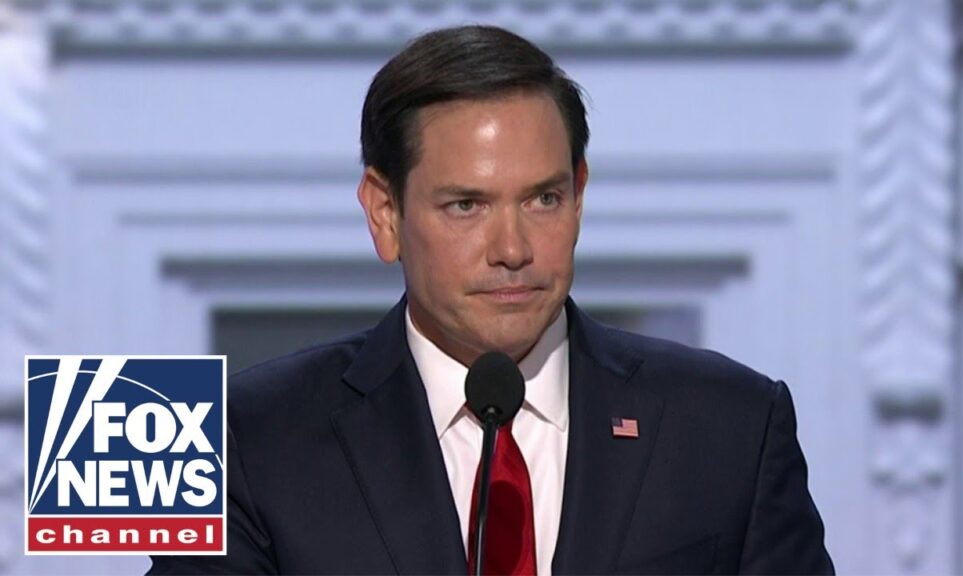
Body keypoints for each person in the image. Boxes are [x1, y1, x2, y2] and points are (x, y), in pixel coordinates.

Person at [149, 25, 833, 575]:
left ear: (580, 194)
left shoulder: (734, 425)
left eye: (543, 198)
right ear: (385, 214)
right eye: (466, 205)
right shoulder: (229, 437)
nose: (512, 248)